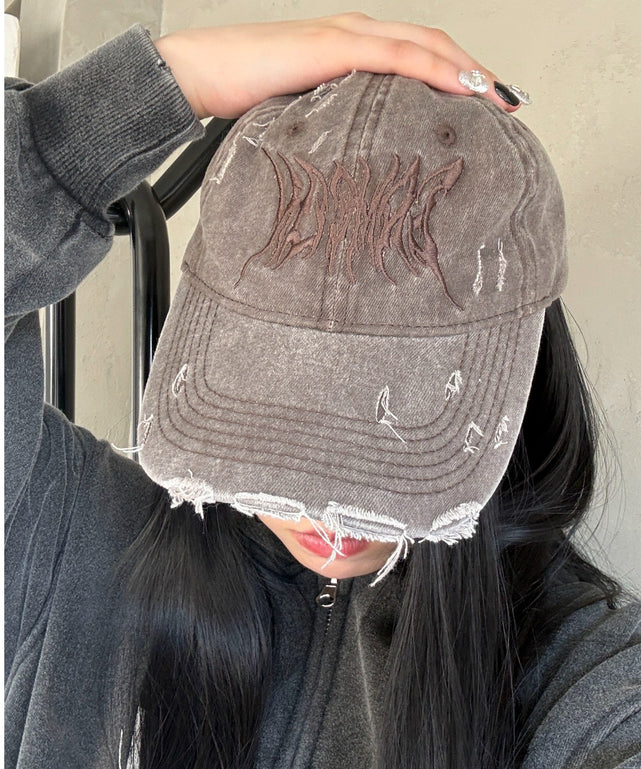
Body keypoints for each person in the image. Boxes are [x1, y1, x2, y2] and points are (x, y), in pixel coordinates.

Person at [4, 15, 640, 769]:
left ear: (520, 371)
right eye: (273, 393)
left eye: (386, 404)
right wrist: (160, 86)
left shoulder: (585, 682)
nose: (320, 504)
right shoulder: (74, 534)